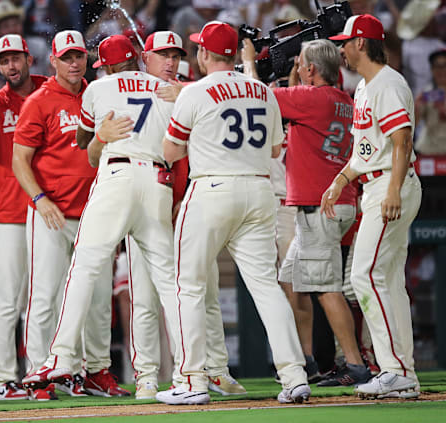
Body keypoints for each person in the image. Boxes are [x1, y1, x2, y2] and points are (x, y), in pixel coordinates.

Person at [156, 21, 309, 406]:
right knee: (266, 287)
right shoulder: (262, 91)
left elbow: (171, 152)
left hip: (212, 188)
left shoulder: (194, 91)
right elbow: (276, 150)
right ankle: (294, 376)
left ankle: (193, 381)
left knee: (188, 286)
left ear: (205, 54)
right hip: (258, 191)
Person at [24, 32, 180, 400]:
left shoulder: (98, 88)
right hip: (158, 181)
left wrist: (100, 137)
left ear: (105, 65)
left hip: (117, 176)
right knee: (170, 284)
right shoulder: (166, 89)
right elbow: (175, 148)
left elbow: (86, 148)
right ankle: (192, 372)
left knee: (84, 266)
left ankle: (61, 356)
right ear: (139, 59)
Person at [243, 37, 370, 387]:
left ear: (311, 69)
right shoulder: (343, 99)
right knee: (291, 281)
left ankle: (355, 365)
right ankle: (308, 359)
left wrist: (251, 61)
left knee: (326, 289)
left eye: (301, 63)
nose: (296, 67)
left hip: (320, 206)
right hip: (336, 201)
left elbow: (255, 96)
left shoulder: (310, 98)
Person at [15, 30, 128, 399]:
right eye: (66, 57)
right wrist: (39, 199)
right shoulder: (39, 100)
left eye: (79, 55)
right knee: (45, 295)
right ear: (53, 61)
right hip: (52, 213)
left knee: (97, 300)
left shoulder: (97, 94)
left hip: (94, 213)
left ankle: (95, 371)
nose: (74, 63)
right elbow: (20, 161)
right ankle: (39, 373)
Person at [325, 14, 422, 400]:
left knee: (365, 275)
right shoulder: (365, 87)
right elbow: (366, 150)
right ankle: (403, 372)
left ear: (361, 43)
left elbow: (402, 141)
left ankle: (394, 369)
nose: (342, 49)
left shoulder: (388, 83)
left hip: (389, 185)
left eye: (345, 42)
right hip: (376, 182)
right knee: (387, 281)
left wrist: (394, 189)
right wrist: (341, 180)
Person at [0, 34, 47, 401]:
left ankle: (43, 373)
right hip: (8, 212)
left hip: (49, 209)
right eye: (4, 61)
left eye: (16, 58)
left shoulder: (49, 92)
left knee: (45, 297)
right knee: (6, 301)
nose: (11, 66)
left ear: (29, 58)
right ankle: (3, 378)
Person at [0, 0, 50, 95]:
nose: (12, 29)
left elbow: (52, 73)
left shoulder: (39, 45)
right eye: (6, 26)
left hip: (38, 98)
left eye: (15, 24)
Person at [414, 49, 446, 155]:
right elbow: (414, 123)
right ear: (432, 70)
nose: (441, 70)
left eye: (444, 65)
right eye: (437, 66)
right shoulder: (427, 93)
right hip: (429, 148)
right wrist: (416, 107)